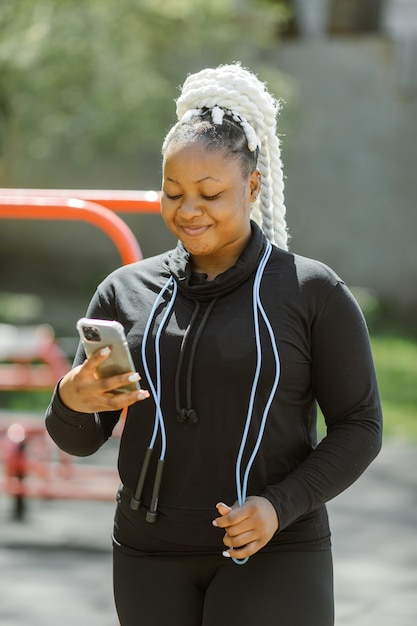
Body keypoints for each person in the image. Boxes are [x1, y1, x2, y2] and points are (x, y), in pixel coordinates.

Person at [45, 63, 382, 626]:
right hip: (147, 557)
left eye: (209, 193)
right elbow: (77, 441)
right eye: (173, 191)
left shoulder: (310, 291)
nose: (188, 209)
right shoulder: (125, 292)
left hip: (276, 552)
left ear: (252, 186)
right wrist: (71, 400)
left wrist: (280, 506)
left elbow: (361, 424)